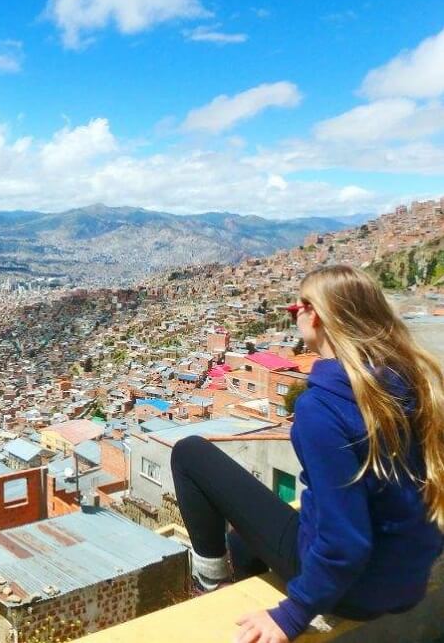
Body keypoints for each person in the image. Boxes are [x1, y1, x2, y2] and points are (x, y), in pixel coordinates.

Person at [171, 265, 444, 642]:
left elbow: (345, 541)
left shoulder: (322, 408)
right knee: (243, 540)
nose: (294, 316)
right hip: (407, 576)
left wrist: (292, 614)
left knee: (190, 453)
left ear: (313, 314)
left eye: (295, 309)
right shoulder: (411, 383)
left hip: (356, 590)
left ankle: (209, 584)